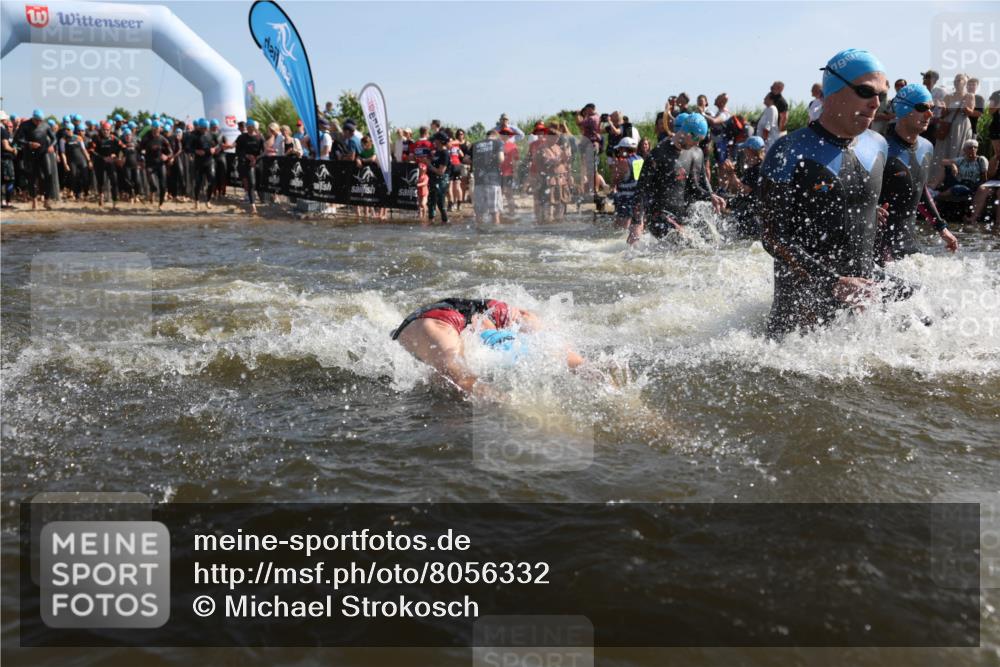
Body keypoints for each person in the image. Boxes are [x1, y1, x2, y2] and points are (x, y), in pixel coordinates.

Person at [760, 48, 912, 338]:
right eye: (866, 92)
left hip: (861, 302)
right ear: (833, 92)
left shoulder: (878, 144)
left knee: (932, 311)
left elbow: (848, 203)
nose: (876, 103)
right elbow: (772, 236)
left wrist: (867, 212)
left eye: (882, 94)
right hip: (802, 317)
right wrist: (833, 281)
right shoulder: (788, 150)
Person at [390, 298, 583, 397]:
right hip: (478, 309)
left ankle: (508, 404)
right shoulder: (500, 317)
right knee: (457, 375)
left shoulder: (430, 323)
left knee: (456, 376)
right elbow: (549, 337)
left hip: (442, 317)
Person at [876, 84, 959, 262]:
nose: (929, 114)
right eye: (922, 108)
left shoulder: (927, 147)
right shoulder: (880, 148)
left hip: (909, 243)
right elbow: (857, 193)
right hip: (881, 248)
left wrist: (941, 227)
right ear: (903, 110)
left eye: (931, 108)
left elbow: (920, 190)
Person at [627, 113, 726, 244]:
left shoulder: (693, 152)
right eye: (697, 140)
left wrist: (711, 196)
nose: (697, 144)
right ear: (688, 134)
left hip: (680, 217)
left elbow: (694, 188)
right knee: (687, 242)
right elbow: (640, 191)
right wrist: (637, 222)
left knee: (704, 245)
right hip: (658, 216)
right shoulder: (658, 154)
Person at [718, 136, 766, 238]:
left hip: (752, 215)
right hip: (747, 212)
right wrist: (730, 176)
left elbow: (744, 190)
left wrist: (731, 174)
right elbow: (736, 190)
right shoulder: (753, 168)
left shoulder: (758, 169)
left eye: (745, 149)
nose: (743, 151)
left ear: (751, 150)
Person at [14, 109, 56, 210]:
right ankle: (34, 201)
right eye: (37, 120)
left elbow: (54, 138)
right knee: (32, 177)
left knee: (48, 175)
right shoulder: (25, 125)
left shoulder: (45, 125)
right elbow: (17, 139)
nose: (38, 122)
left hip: (44, 153)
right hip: (30, 154)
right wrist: (29, 144)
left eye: (40, 120)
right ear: (33, 118)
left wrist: (51, 145)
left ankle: (46, 200)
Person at [471, 129, 505, 225]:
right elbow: (501, 159)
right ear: (496, 135)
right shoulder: (498, 143)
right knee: (495, 212)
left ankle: (479, 234)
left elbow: (466, 159)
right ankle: (495, 235)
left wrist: (480, 162)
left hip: (478, 180)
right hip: (493, 179)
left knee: (479, 212)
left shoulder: (476, 144)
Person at [88, 121, 123, 208]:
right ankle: (101, 195)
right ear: (101, 130)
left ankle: (114, 202)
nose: (106, 131)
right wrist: (102, 157)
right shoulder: (96, 138)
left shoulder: (114, 138)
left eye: (107, 130)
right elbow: (91, 151)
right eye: (104, 130)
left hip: (111, 163)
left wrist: (117, 155)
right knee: (101, 181)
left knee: (114, 181)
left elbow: (123, 148)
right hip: (100, 162)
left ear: (110, 130)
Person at [611, 136, 643, 229]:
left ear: (624, 149)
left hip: (626, 199)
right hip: (637, 198)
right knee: (635, 226)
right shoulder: (640, 159)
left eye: (620, 149)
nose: (619, 152)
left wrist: (615, 165)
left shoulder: (624, 162)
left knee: (620, 228)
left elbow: (614, 181)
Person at [140, 120, 173, 209]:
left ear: (160, 129)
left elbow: (170, 152)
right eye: (154, 128)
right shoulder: (146, 138)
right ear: (152, 128)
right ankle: (152, 192)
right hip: (150, 164)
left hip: (160, 164)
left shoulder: (163, 139)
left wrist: (166, 157)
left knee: (163, 186)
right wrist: (142, 157)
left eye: (157, 128)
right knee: (154, 185)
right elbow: (140, 149)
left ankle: (160, 204)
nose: (156, 130)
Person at [235, 119, 264, 215]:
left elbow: (264, 151)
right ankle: (253, 207)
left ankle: (262, 199)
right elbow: (238, 151)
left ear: (255, 127)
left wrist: (256, 158)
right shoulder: (242, 137)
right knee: (252, 183)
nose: (249, 129)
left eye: (251, 127)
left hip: (258, 162)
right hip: (247, 163)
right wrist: (247, 156)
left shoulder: (260, 137)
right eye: (248, 127)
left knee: (258, 183)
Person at [61, 123, 92, 202]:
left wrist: (89, 160)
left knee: (85, 177)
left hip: (82, 160)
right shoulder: (63, 139)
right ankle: (76, 194)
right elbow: (63, 153)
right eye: (65, 129)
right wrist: (65, 164)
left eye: (68, 129)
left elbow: (84, 150)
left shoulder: (78, 138)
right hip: (72, 161)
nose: (66, 131)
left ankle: (86, 194)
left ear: (72, 130)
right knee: (74, 177)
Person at [190, 118, 215, 210]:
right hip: (199, 163)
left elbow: (216, 144)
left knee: (212, 181)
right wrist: (196, 151)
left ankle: (208, 201)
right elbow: (188, 148)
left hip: (209, 161)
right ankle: (196, 201)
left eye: (205, 128)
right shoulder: (194, 136)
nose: (204, 130)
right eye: (202, 128)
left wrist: (214, 149)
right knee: (198, 183)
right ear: (199, 127)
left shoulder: (210, 135)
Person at [426, 132, 451, 224]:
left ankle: (445, 221)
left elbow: (441, 172)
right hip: (434, 180)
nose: (434, 141)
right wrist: (429, 159)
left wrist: (428, 164)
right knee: (431, 201)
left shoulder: (445, 153)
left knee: (440, 202)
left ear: (440, 141)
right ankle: (431, 222)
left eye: (435, 139)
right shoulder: (437, 152)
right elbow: (434, 163)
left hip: (442, 180)